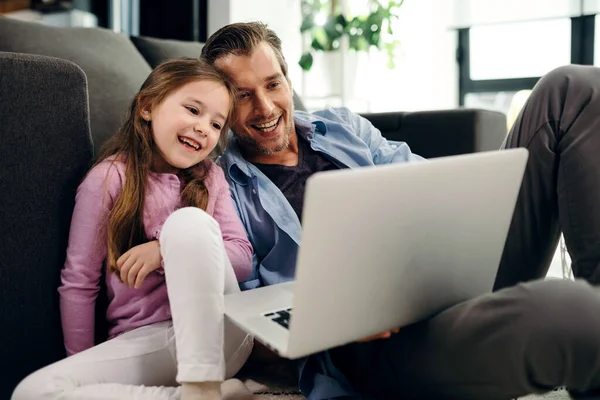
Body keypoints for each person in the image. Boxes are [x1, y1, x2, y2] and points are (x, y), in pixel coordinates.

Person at [200, 21, 600, 400]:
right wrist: (335, 322)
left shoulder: (339, 127)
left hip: (448, 268)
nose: (266, 107)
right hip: (383, 342)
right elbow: (247, 329)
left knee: (571, 87)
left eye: (273, 84)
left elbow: (422, 179)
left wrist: (471, 206)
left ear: (288, 80)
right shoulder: (221, 189)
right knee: (573, 312)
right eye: (243, 96)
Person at [11, 57, 256, 400]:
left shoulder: (209, 177)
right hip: (147, 340)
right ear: (147, 107)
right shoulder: (108, 179)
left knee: (188, 222)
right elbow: (79, 283)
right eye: (193, 110)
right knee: (33, 391)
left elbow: (243, 258)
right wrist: (85, 367)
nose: (204, 128)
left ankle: (201, 385)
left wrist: (163, 250)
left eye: (217, 125)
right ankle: (199, 396)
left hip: (221, 333)